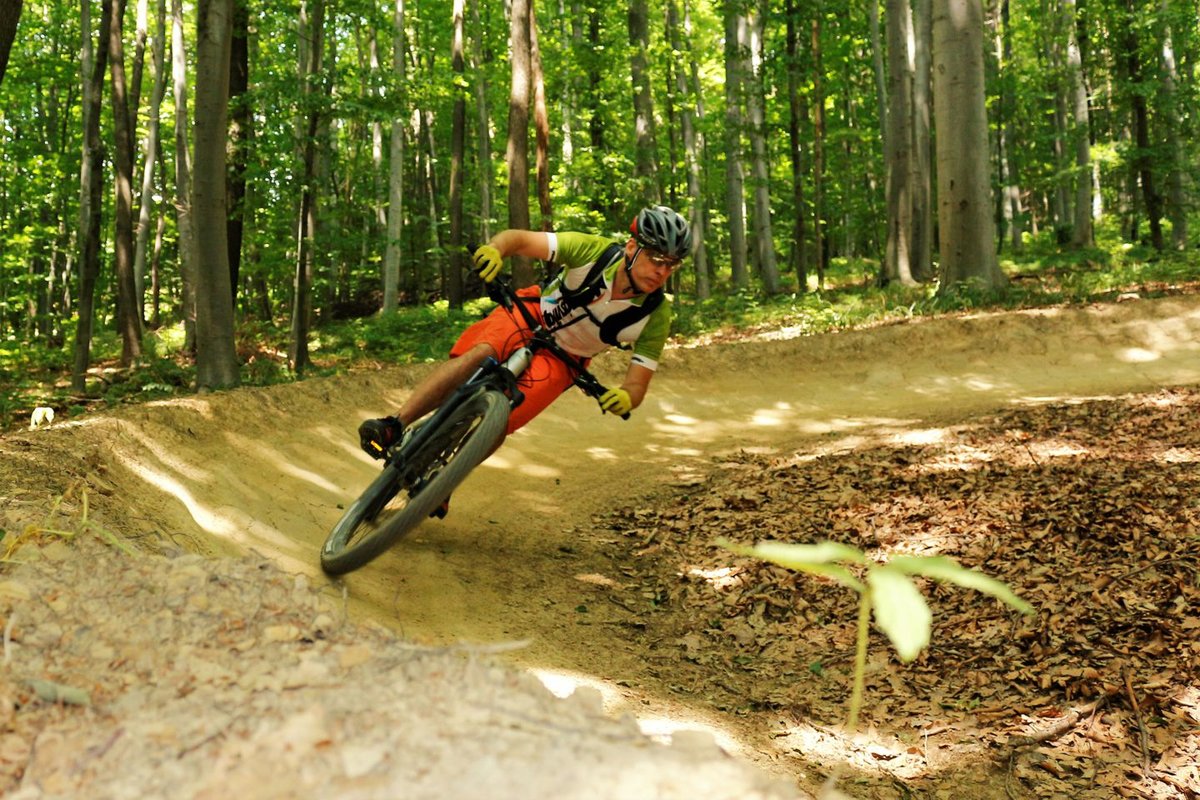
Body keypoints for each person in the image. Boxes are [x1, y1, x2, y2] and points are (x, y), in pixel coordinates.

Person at [357, 205, 693, 461]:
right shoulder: (592, 250)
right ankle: (394, 424)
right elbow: (517, 239)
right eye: (656, 258)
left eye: (672, 264)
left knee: (503, 418)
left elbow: (637, 384)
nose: (662, 271)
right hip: (531, 313)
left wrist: (626, 397)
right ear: (633, 248)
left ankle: (442, 477)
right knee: (482, 353)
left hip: (567, 360)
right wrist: (495, 250)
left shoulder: (656, 314)